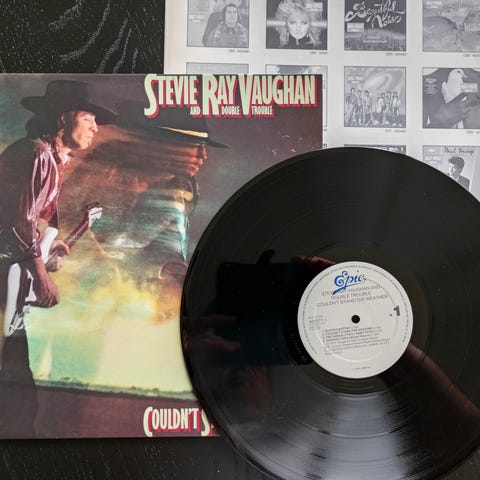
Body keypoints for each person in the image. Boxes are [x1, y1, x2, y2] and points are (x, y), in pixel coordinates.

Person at [0, 79, 116, 436]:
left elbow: (30, 225)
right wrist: (40, 273)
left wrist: (50, 247)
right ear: (64, 118)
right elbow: (18, 223)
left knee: (19, 394)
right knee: (18, 396)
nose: (96, 127)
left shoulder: (50, 159)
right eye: (89, 118)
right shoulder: (36, 155)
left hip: (10, 277)